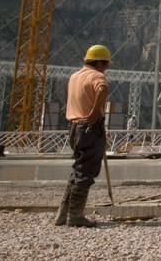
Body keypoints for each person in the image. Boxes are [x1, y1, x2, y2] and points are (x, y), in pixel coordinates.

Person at [54, 44, 111, 227]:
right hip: (90, 127)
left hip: (74, 127)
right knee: (86, 172)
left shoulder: (74, 76)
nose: (107, 67)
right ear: (100, 63)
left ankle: (63, 214)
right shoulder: (97, 76)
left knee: (78, 169)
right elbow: (102, 89)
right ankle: (76, 216)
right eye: (106, 64)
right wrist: (95, 112)